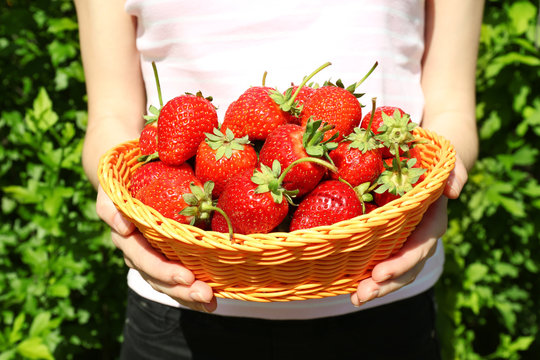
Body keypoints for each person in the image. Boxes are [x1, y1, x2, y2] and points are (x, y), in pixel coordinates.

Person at [75, 0, 484, 358]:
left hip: (383, 293)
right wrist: (120, 198)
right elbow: (110, 116)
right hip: (179, 305)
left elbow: (453, 109)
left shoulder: (314, 150)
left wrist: (439, 183)